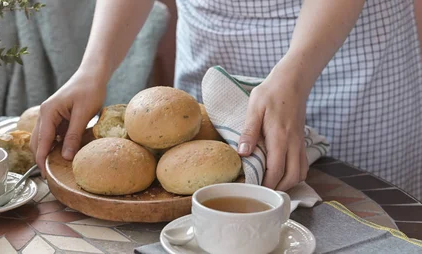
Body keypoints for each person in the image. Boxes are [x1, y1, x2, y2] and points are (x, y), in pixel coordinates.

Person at [30, 0, 422, 199]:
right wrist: (92, 70)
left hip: (345, 56)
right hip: (212, 45)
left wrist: (296, 76)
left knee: (352, 217)